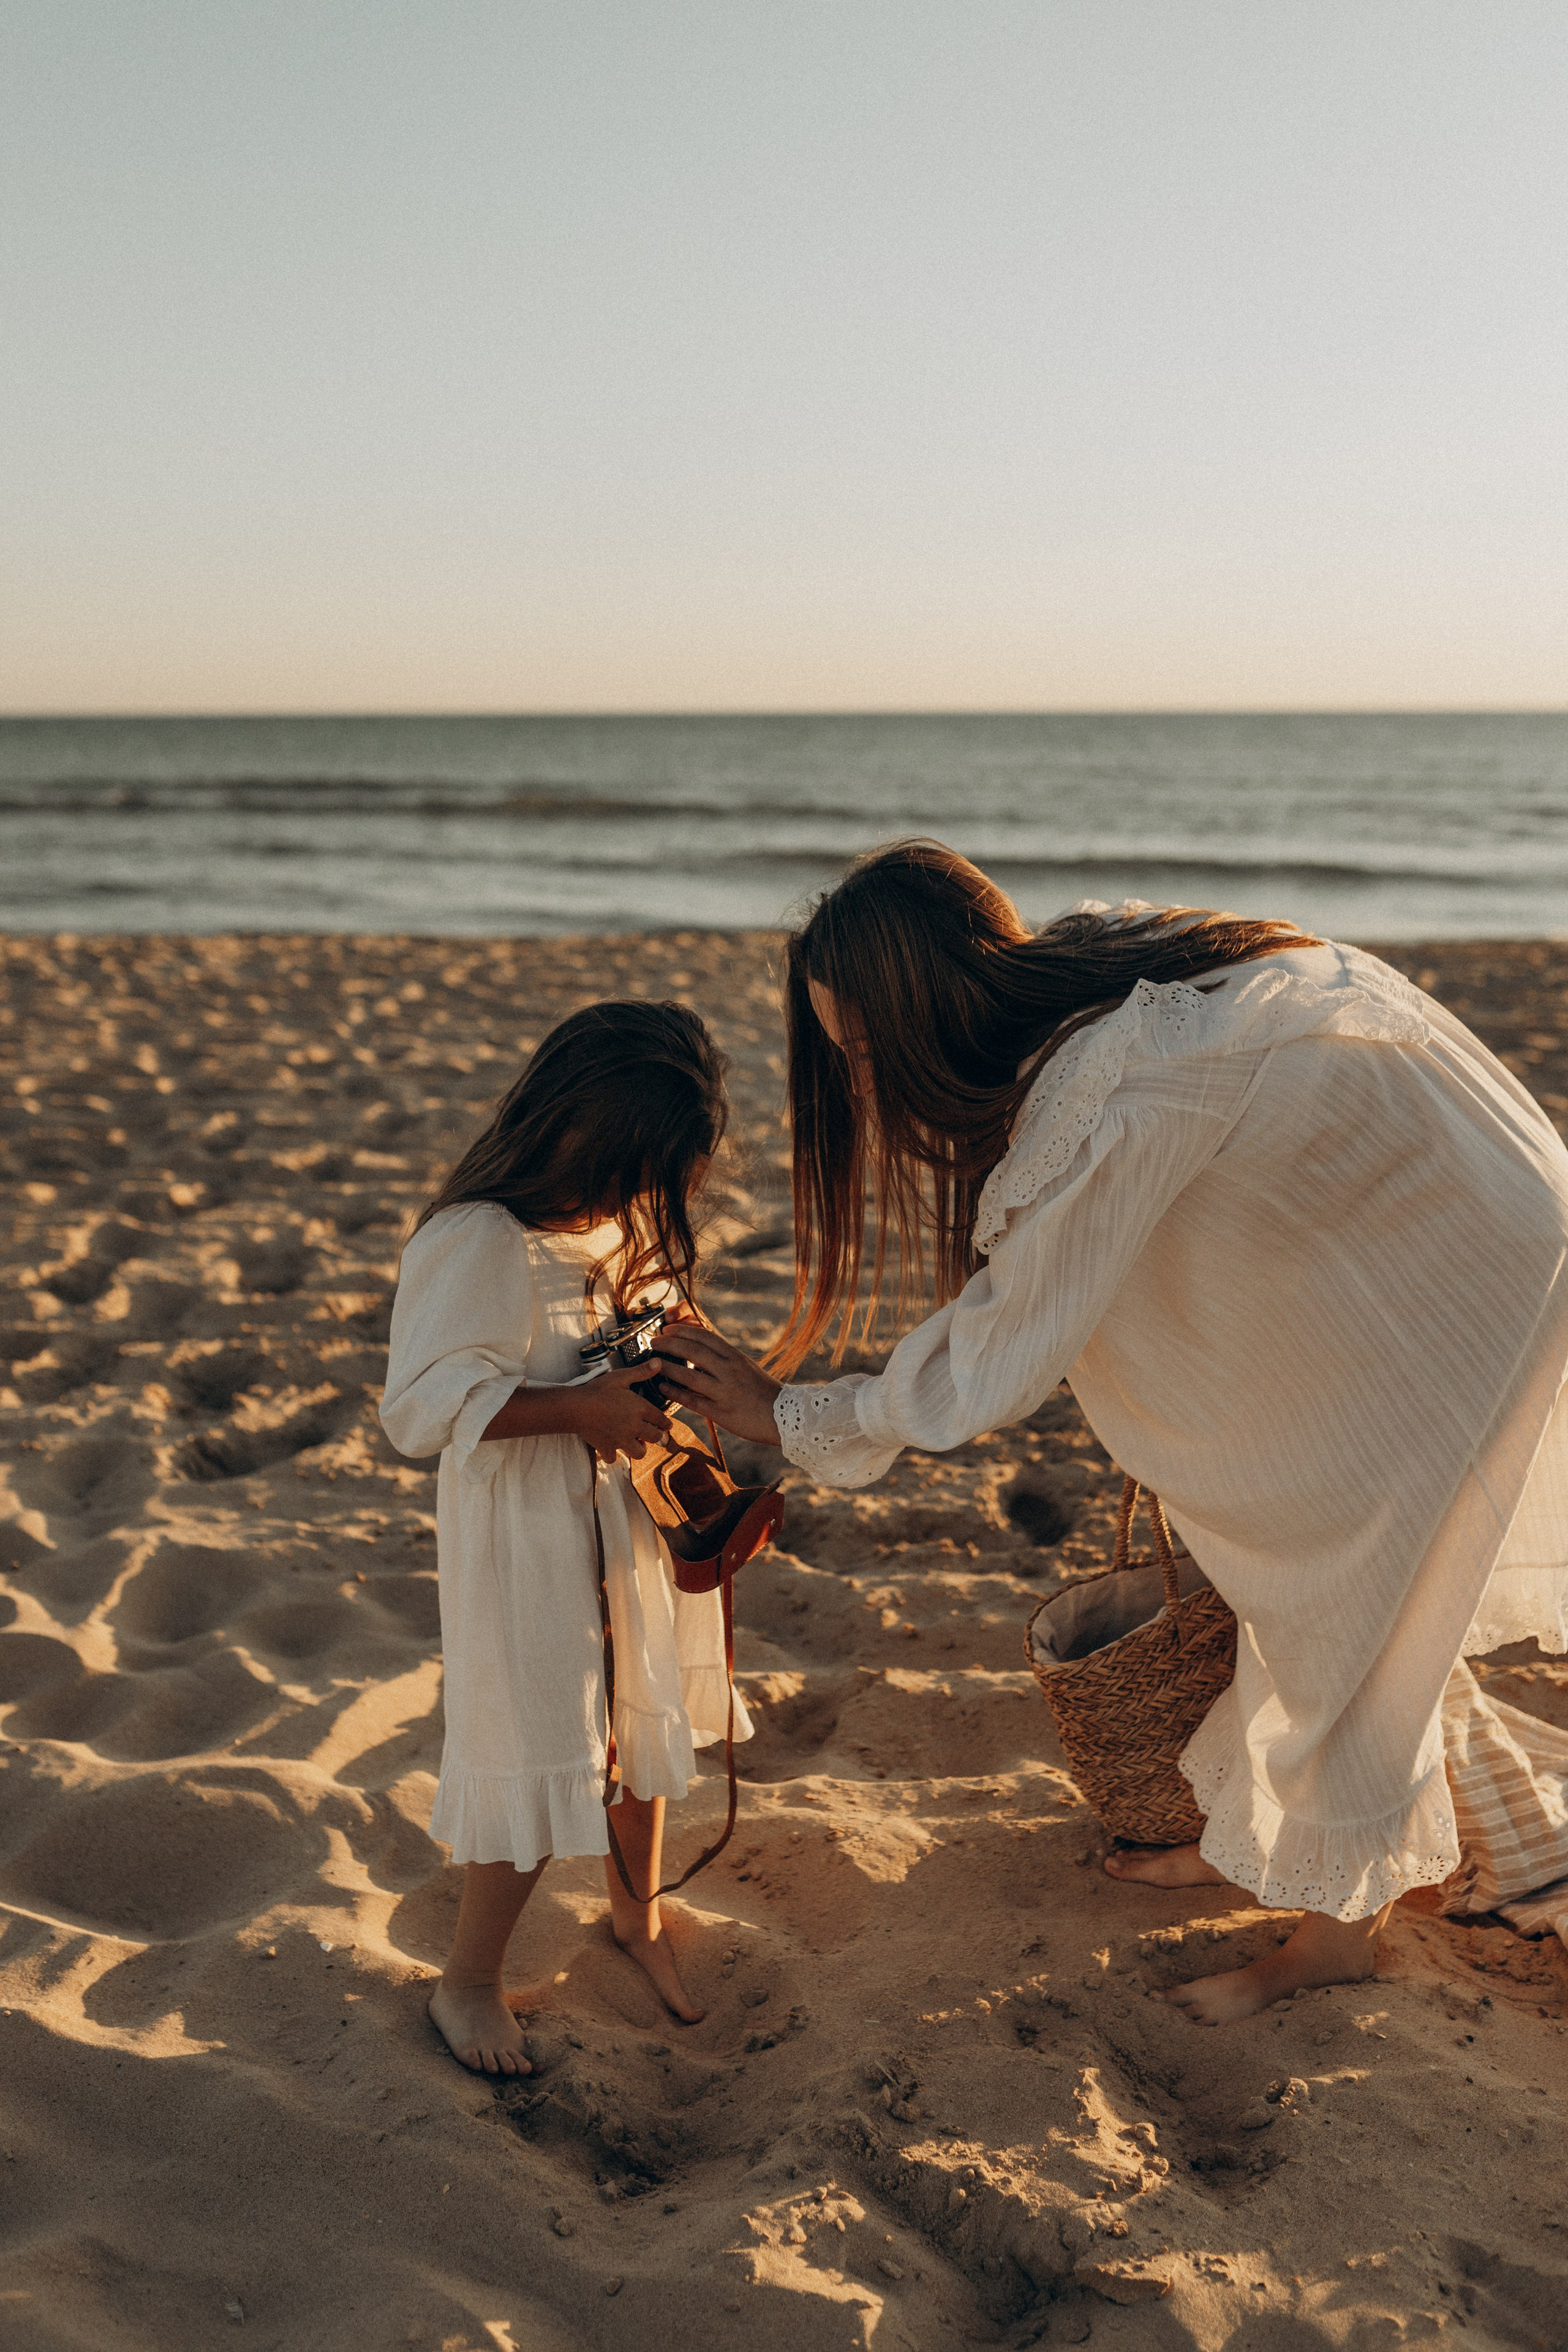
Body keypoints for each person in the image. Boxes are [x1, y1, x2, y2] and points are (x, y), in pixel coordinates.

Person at [656, 841, 1568, 2025]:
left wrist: (790, 1416)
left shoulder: (1117, 1082)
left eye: (871, 1052)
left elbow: (998, 1358)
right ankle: (1270, 1840)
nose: (866, 1088)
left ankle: (1337, 1936)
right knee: (1286, 1554)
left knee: (1351, 1579)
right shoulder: (1093, 968)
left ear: (935, 1010)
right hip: (1427, 1225)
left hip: (1462, 1273)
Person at [380, 1001, 751, 2075]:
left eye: (655, 1177)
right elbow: (419, 1413)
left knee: (646, 1719)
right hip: (525, 1540)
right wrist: (578, 1409)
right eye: (629, 1166)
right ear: (566, 1124)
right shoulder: (476, 1240)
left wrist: (687, 1364)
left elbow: (653, 1319)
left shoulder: (624, 1222)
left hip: (627, 1512)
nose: (638, 1193)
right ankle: (468, 1981)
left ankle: (634, 1916)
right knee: (548, 1738)